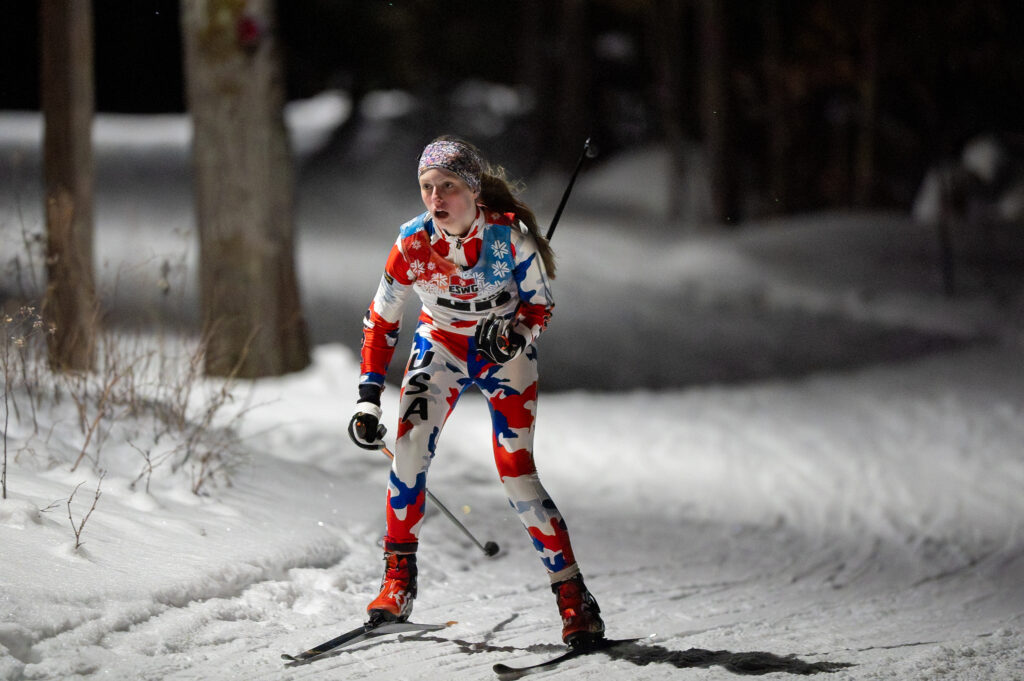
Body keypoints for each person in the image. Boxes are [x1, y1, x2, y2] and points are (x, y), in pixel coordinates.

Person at [347, 135, 605, 648]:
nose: (436, 198)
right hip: (439, 346)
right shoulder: (411, 244)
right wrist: (367, 395)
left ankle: (574, 599)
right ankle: (397, 583)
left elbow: (539, 307)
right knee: (409, 451)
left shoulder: (512, 239)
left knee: (516, 474)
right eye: (427, 187)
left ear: (473, 188)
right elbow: (381, 321)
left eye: (447, 186)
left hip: (502, 355)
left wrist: (514, 337)